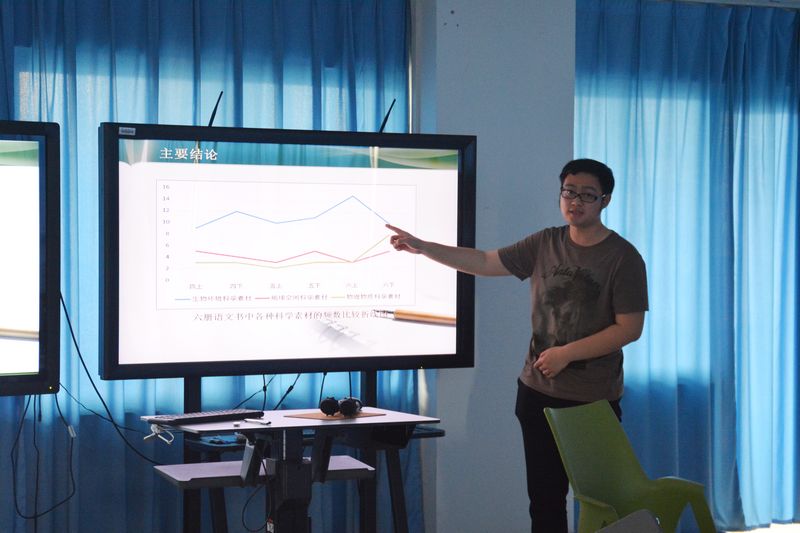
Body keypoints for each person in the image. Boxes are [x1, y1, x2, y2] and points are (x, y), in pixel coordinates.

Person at [386, 158, 648, 532]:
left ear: (604, 200)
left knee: (605, 502)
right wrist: (424, 247)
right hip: (537, 393)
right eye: (569, 192)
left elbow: (629, 328)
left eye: (587, 195)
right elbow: (484, 261)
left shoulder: (623, 257)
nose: (575, 201)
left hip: (593, 399)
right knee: (544, 502)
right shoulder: (546, 242)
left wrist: (566, 354)